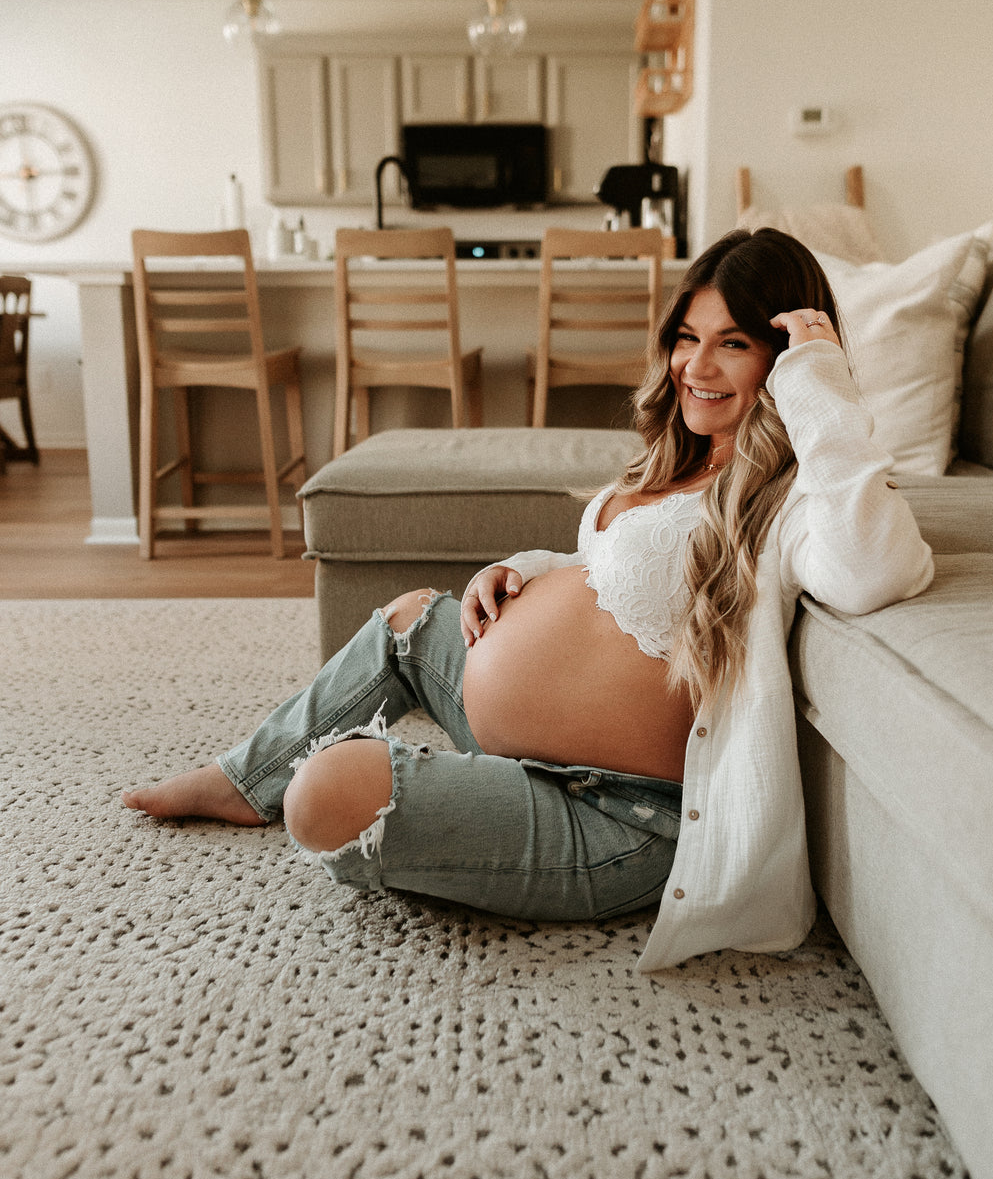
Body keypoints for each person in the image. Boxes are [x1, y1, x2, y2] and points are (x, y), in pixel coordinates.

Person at [123, 228, 933, 971]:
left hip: (619, 817)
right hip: (530, 747)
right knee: (411, 616)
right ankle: (240, 778)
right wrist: (520, 569)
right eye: (687, 339)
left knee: (325, 795)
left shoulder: (793, 501)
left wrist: (818, 377)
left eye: (735, 345)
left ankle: (428, 795)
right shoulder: (678, 460)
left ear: (783, 355)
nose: (696, 367)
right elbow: (611, 569)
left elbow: (877, 569)